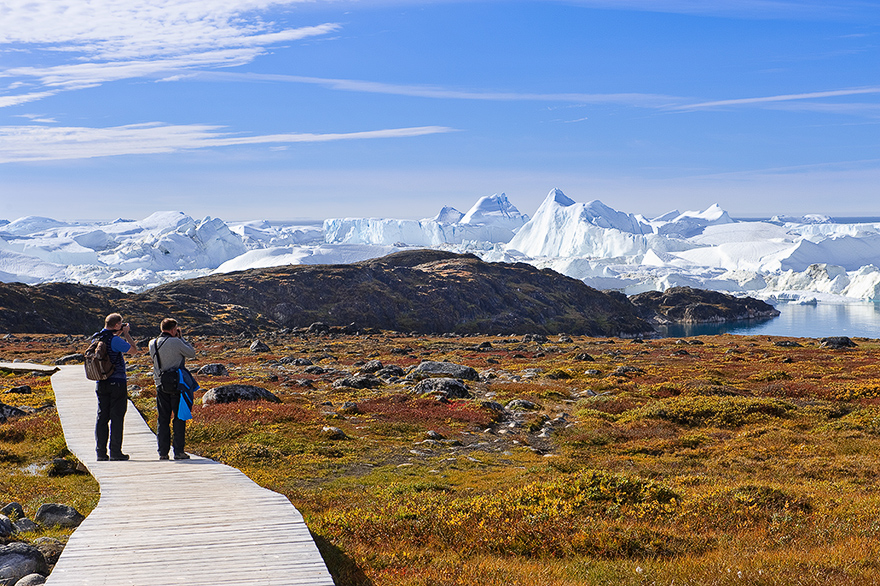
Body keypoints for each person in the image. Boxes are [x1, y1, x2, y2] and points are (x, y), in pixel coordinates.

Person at [149, 318, 196, 460]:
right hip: (177, 384)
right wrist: (181, 338)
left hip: (160, 384)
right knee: (179, 417)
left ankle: (163, 453)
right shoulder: (176, 341)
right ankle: (179, 451)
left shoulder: (153, 343)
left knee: (163, 418)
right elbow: (191, 353)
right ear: (174, 329)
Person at [93, 313, 136, 461]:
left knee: (102, 417)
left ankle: (100, 452)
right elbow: (133, 350)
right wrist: (126, 334)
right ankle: (115, 452)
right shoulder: (115, 340)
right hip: (117, 382)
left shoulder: (97, 338)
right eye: (121, 323)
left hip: (101, 382)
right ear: (117, 325)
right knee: (117, 417)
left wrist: (118, 332)